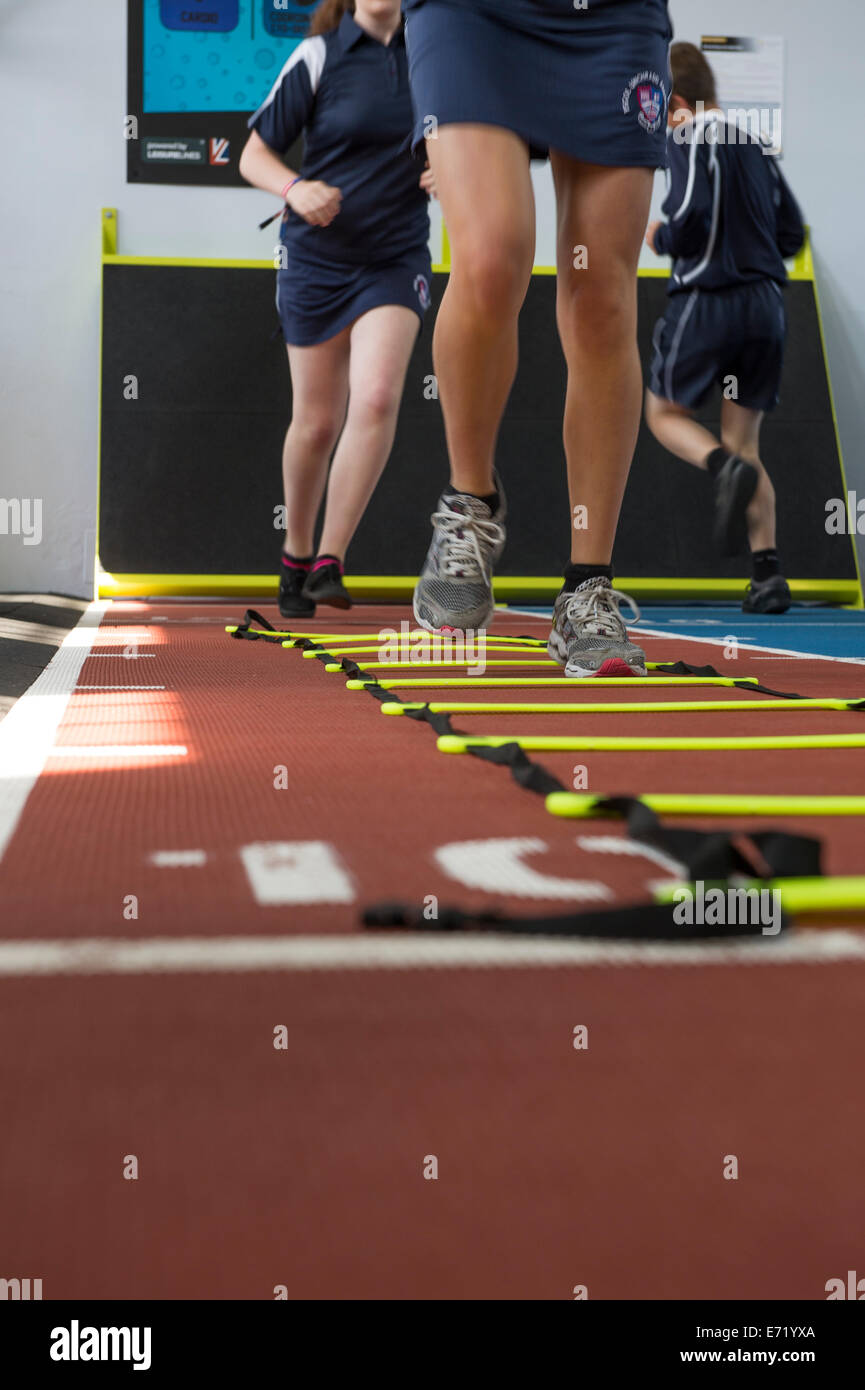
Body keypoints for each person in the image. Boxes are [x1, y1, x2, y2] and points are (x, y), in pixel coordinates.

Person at [402, 0, 674, 676]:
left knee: (600, 301)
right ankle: (469, 502)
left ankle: (586, 588)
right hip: (473, 15)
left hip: (612, 18)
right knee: (493, 257)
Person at [240, 0, 434, 617]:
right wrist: (295, 189)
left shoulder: (434, 57)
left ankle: (331, 558)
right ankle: (295, 553)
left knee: (376, 397)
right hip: (317, 261)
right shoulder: (318, 55)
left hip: (395, 259)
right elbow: (252, 155)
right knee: (317, 423)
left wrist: (445, 169)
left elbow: (458, 146)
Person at [644, 42, 806, 614]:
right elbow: (793, 233)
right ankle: (768, 577)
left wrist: (661, 237)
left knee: (663, 413)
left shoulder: (689, 135)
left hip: (709, 300)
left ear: (680, 104)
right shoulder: (755, 144)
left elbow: (690, 215)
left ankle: (722, 468)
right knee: (746, 439)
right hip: (766, 306)